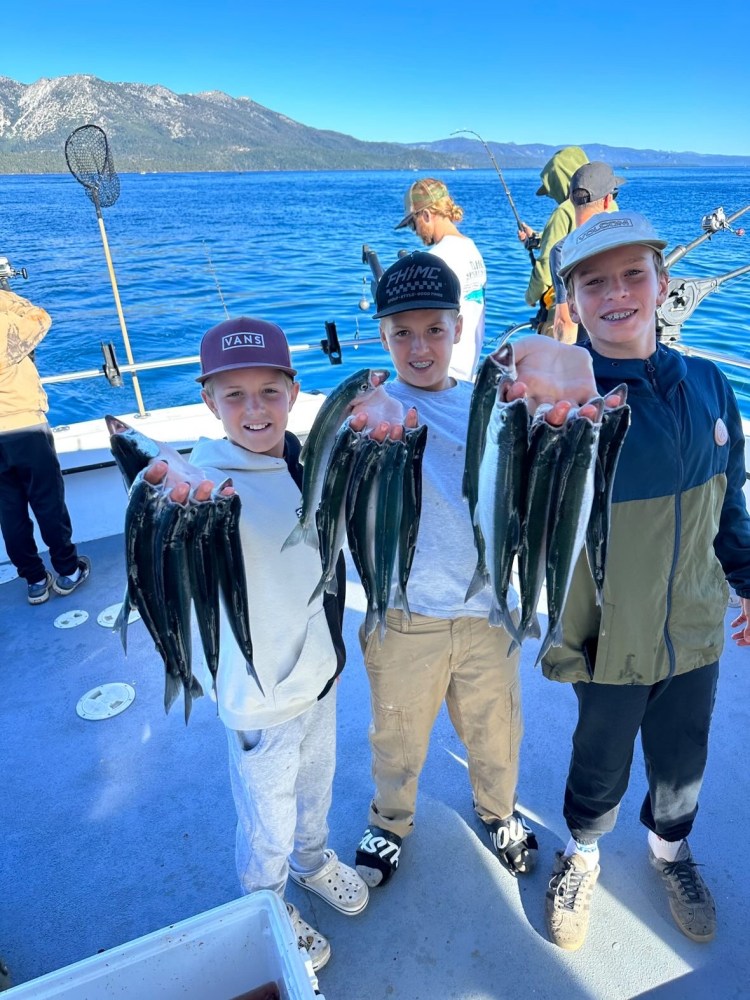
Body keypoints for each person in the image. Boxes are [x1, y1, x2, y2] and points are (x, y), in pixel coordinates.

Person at [541, 211, 750, 951]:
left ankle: (671, 851)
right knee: (599, 754)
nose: (617, 292)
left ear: (665, 283)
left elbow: (732, 499)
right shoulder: (562, 402)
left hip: (695, 624)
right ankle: (583, 854)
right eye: (594, 282)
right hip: (606, 632)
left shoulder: (712, 386)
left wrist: (746, 579)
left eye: (635, 274)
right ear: (571, 302)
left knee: (683, 752)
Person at [145, 316, 368, 974]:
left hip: (319, 678)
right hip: (256, 701)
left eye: (269, 391)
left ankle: (312, 860)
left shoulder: (303, 458)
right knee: (265, 813)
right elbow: (171, 539)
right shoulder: (202, 484)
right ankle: (266, 899)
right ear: (208, 401)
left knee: (315, 788)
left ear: (294, 392)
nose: (253, 409)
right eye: (233, 395)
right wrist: (170, 505)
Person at [353, 250, 538, 889]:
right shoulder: (372, 410)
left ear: (460, 327)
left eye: (434, 328)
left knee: (496, 729)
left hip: (489, 617)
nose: (420, 345)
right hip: (403, 617)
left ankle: (499, 810)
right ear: (382, 337)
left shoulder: (497, 406)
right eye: (401, 331)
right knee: (396, 737)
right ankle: (390, 819)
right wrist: (358, 424)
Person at [0, 287, 90, 604]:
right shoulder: (4, 320)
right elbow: (39, 318)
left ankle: (35, 580)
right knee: (47, 502)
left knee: (9, 512)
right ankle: (68, 571)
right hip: (24, 426)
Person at [395, 178, 487, 381]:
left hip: (441, 375)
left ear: (426, 215)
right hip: (467, 371)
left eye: (413, 223)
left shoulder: (437, 258)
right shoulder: (472, 250)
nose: (415, 232)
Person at [517, 146, 588, 336]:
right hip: (593, 307)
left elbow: (546, 267)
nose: (551, 195)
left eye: (552, 188)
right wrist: (539, 238)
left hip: (564, 313)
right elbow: (577, 239)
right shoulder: (607, 204)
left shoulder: (564, 211)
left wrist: (531, 296)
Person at [548, 161, 623, 343]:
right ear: (607, 200)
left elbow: (565, 323)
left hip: (592, 361)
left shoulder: (562, 250)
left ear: (572, 200)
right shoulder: (629, 242)